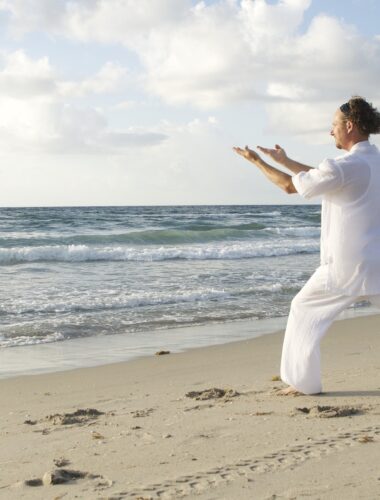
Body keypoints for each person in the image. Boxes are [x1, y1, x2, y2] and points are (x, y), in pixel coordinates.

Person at [233, 96, 380, 395]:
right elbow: (328, 176)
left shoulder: (345, 166)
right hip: (376, 261)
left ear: (349, 126)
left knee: (303, 309)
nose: (331, 132)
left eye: (334, 125)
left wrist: (258, 162)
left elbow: (290, 186)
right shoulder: (369, 162)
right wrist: (285, 161)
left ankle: (303, 383)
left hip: (347, 267)